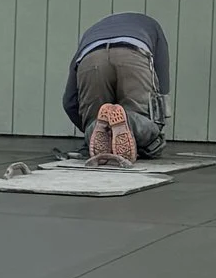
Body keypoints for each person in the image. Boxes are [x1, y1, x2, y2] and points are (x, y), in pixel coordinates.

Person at [62, 12, 171, 165]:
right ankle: (129, 121)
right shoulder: (153, 26)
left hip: (91, 57)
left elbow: (70, 101)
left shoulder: (91, 32)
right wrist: (156, 130)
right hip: (133, 52)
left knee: (95, 118)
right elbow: (162, 84)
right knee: (145, 127)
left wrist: (88, 128)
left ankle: (98, 127)